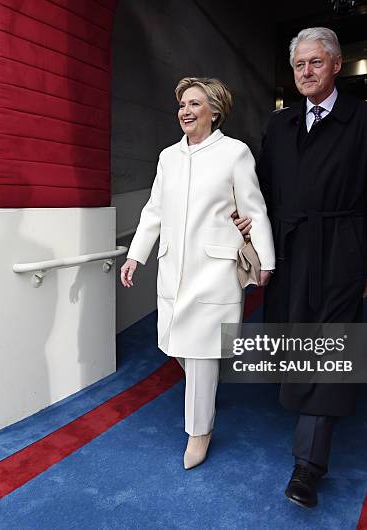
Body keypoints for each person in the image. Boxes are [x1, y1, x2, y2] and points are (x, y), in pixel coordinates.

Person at [236, 27, 367, 507]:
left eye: (315, 62)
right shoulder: (279, 124)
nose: (305, 72)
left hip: (342, 247)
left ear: (337, 64)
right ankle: (304, 406)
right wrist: (247, 227)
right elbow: (262, 192)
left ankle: (308, 465)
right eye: (298, 66)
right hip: (290, 249)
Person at [121, 77, 275, 470]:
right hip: (173, 268)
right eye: (182, 105)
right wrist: (135, 256)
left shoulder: (234, 153)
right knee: (175, 345)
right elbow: (154, 211)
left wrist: (266, 260)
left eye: (194, 104)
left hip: (216, 270)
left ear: (214, 111)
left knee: (203, 353)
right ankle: (204, 391)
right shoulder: (167, 157)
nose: (185, 111)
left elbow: (254, 210)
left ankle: (199, 432)